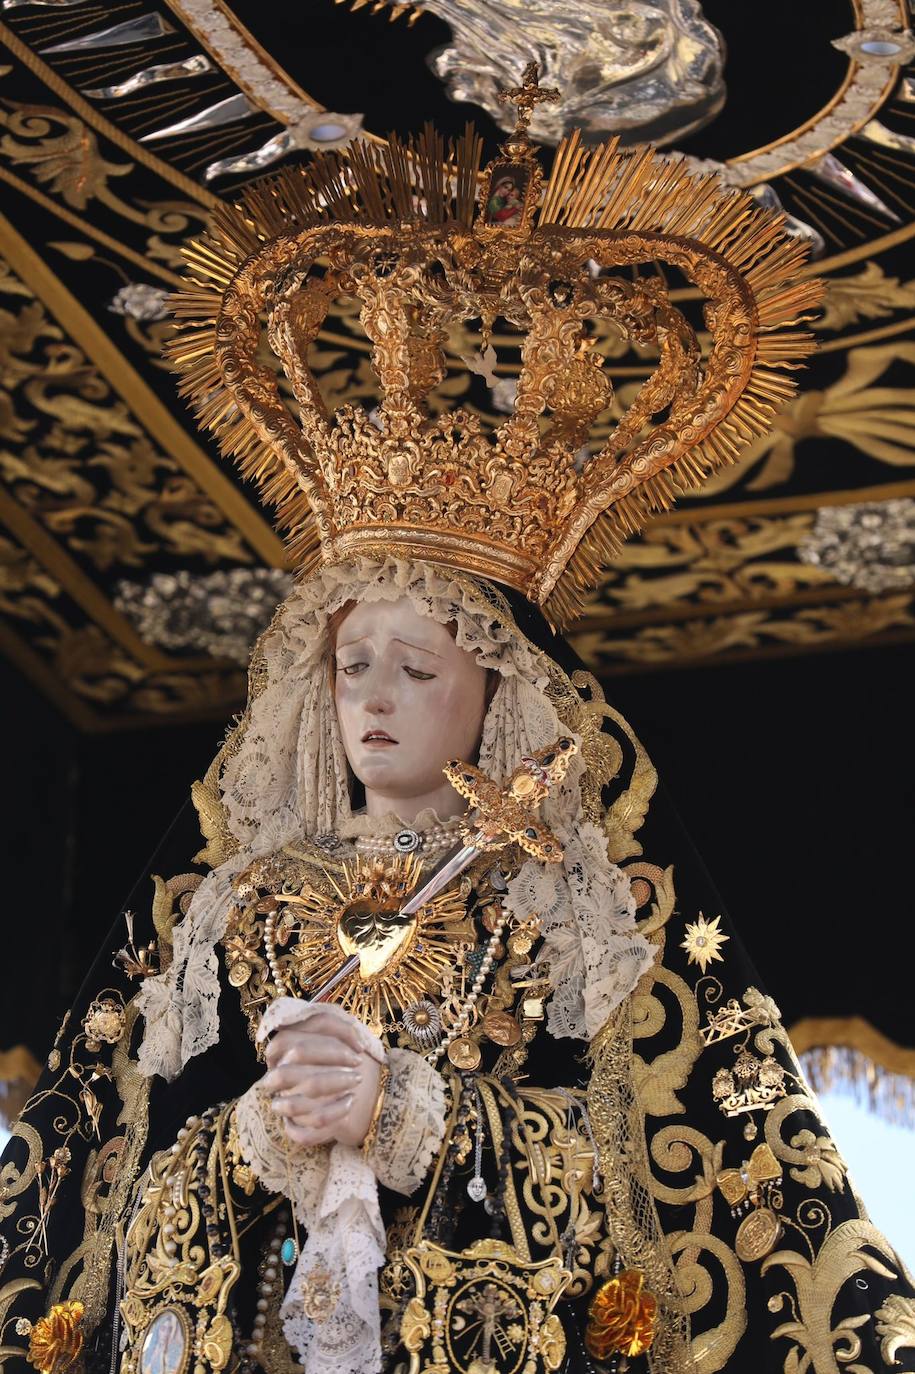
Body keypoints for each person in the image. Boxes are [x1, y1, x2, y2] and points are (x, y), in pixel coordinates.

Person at [2, 90, 913, 1374]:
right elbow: (115, 1215)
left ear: (494, 688)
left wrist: (410, 1115)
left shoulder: (567, 914)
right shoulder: (236, 908)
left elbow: (636, 1216)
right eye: (350, 663)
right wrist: (257, 1141)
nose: (371, 695)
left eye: (414, 665)